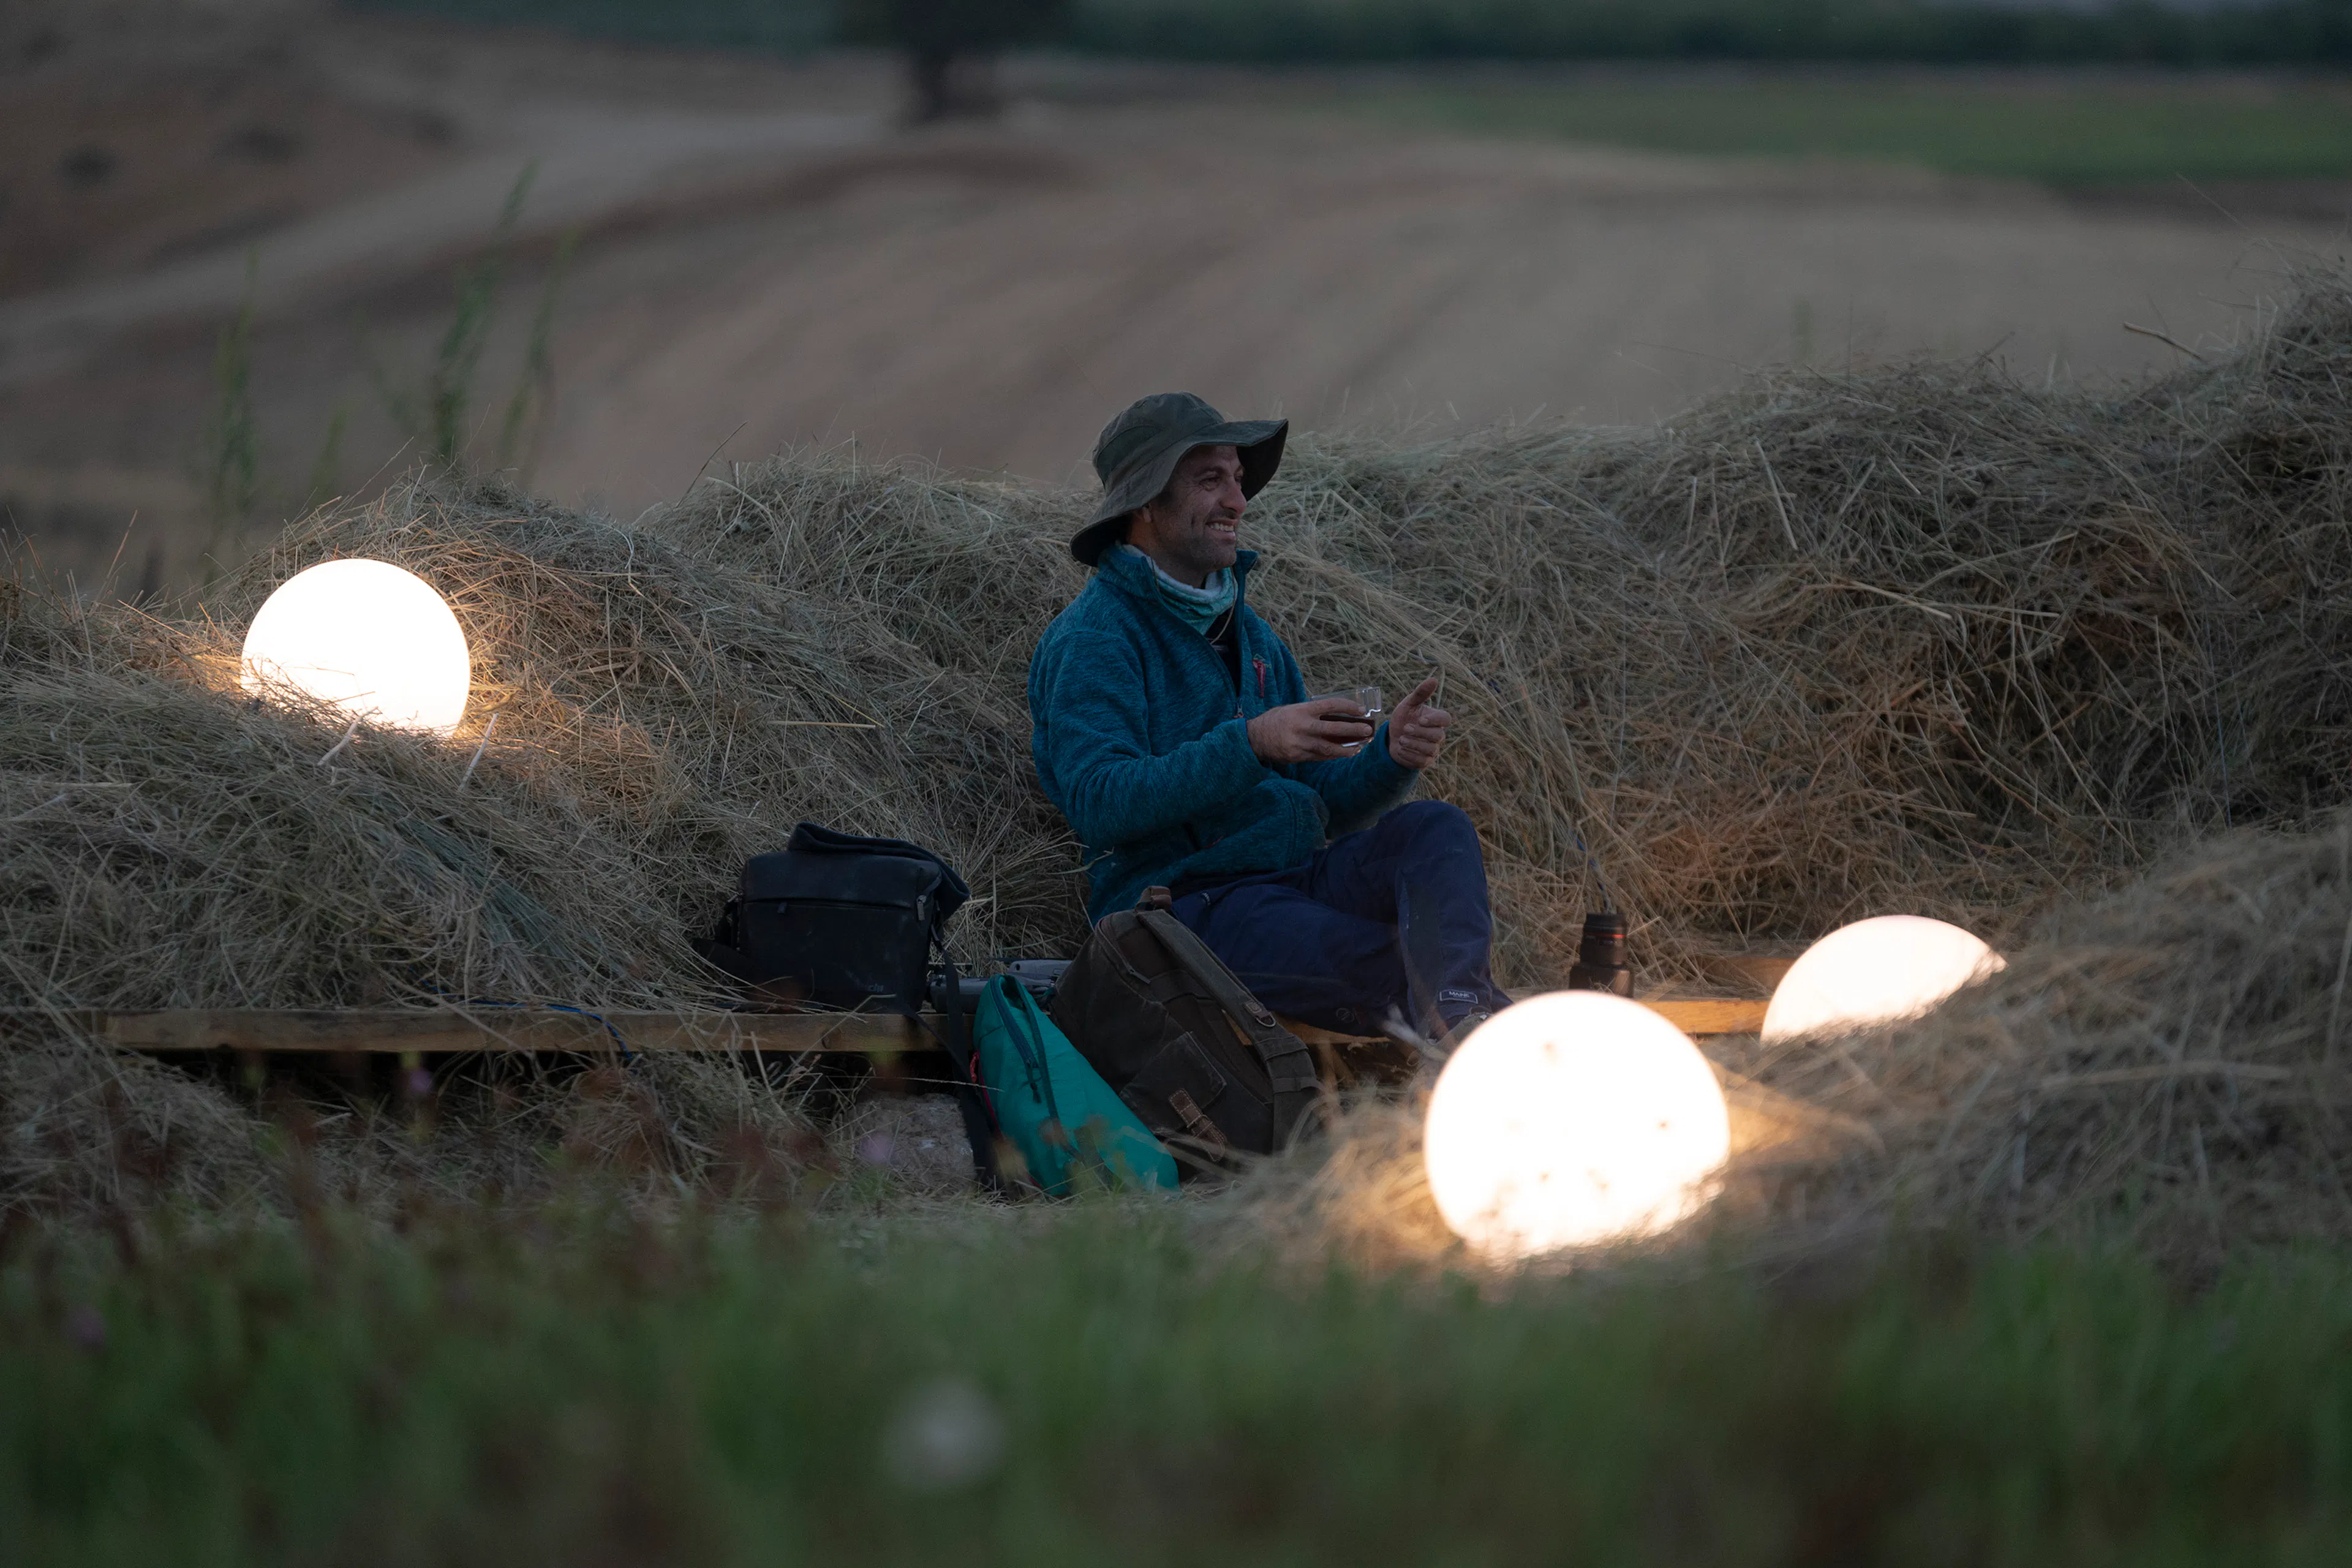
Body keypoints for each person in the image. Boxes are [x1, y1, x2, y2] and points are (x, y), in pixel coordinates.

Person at [1027, 392, 1511, 1042]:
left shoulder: (1251, 637)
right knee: (1409, 965)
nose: (1238, 501)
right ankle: (1484, 1034)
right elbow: (1099, 802)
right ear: (1143, 504)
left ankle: (1465, 1024)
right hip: (1192, 905)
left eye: (1237, 479)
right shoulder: (1095, 638)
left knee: (1434, 827)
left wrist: (1390, 757)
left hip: (1296, 883)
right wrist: (1251, 742)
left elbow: (1321, 807)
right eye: (1210, 480)